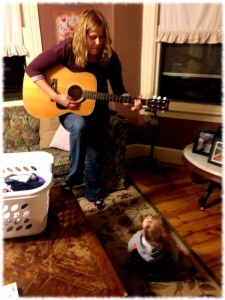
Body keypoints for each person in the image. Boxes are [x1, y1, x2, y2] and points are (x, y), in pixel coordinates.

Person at [25, 9, 142, 211]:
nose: (98, 43)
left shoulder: (110, 58)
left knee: (95, 154)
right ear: (82, 35)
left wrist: (131, 101)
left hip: (98, 112)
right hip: (69, 110)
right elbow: (32, 69)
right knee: (79, 126)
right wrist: (56, 96)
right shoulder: (66, 49)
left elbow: (120, 90)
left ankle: (93, 194)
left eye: (102, 37)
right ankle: (74, 176)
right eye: (93, 37)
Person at [128, 214, 180, 280]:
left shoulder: (137, 236)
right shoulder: (169, 242)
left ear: (144, 232)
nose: (149, 216)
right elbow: (175, 257)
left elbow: (129, 248)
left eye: (149, 221)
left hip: (144, 272)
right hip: (161, 271)